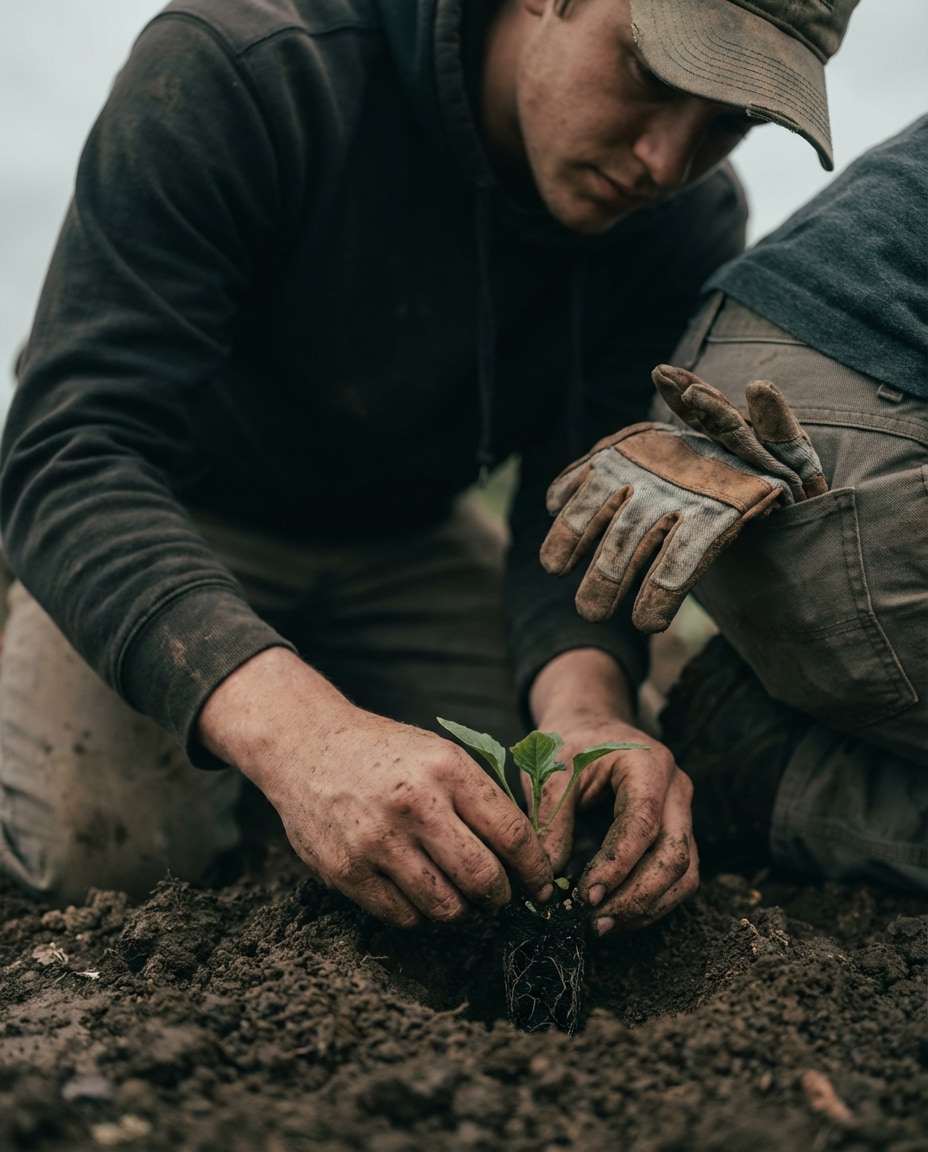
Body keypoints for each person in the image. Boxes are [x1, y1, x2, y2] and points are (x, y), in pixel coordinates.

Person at [0, 0, 858, 929]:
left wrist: (584, 714)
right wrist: (307, 739)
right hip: (174, 519)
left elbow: (570, 505)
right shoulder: (245, 67)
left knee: (567, 820)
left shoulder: (681, 221)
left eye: (729, 120)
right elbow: (70, 449)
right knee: (111, 860)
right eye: (655, 75)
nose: (666, 163)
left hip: (411, 536)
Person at [542, 115, 927, 893]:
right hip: (877, 423)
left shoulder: (694, 214)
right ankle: (784, 781)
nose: (661, 159)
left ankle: (770, 748)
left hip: (740, 365)